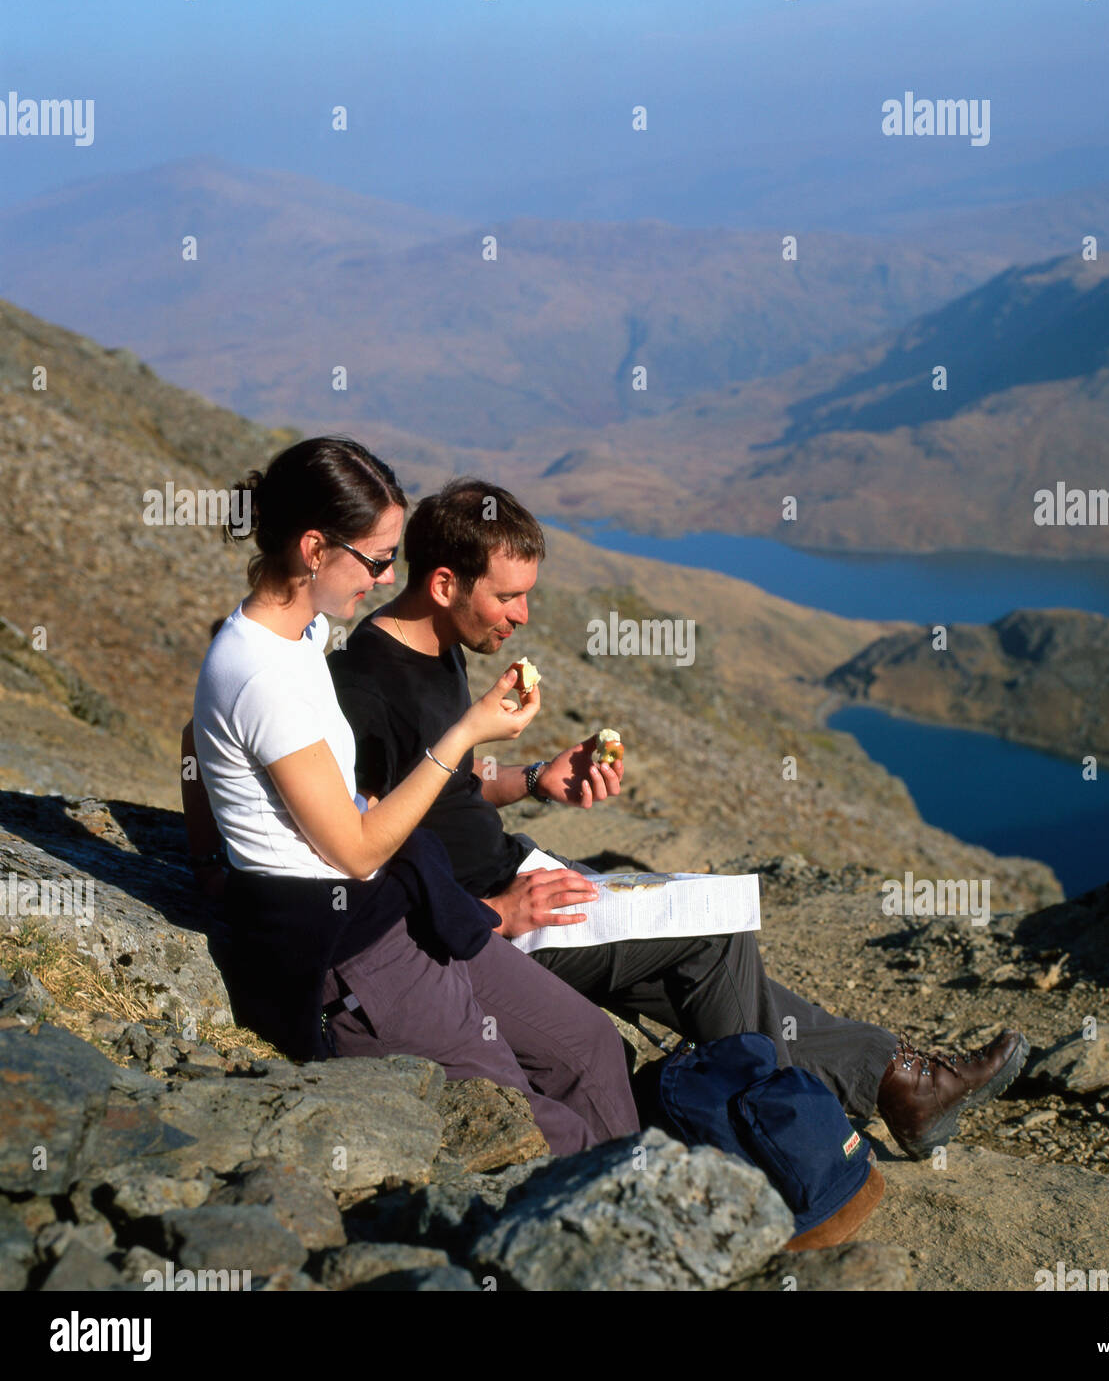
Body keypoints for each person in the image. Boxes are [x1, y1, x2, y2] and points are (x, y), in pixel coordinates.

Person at [327, 478, 1031, 1161]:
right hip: (487, 930)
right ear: (446, 584)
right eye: (508, 597)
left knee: (709, 952)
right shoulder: (363, 686)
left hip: (524, 878)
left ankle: (896, 1084)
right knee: (715, 946)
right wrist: (489, 911)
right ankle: (788, 1141)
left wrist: (538, 780)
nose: (523, 618)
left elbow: (444, 788)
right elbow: (359, 857)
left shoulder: (440, 649)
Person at [188, 438, 639, 1156]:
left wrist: (212, 853)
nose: (388, 576)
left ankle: (641, 1205)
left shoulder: (297, 636)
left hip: (401, 908)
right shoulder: (259, 673)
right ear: (313, 548)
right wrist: (466, 732)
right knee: (536, 1131)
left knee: (587, 1045)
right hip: (352, 953)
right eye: (375, 559)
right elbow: (356, 847)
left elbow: (201, 739)